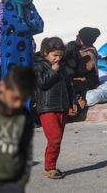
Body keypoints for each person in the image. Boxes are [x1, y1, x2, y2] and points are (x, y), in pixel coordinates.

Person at [33, 37, 77, 179]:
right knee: (55, 137)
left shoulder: (61, 67)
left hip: (61, 107)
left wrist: (72, 102)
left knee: (57, 139)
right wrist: (52, 71)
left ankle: (52, 166)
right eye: (55, 55)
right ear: (45, 52)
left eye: (60, 55)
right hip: (47, 108)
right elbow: (42, 83)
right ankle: (49, 167)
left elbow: (68, 85)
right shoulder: (38, 66)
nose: (57, 59)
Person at [1, 0, 44, 79]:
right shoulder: (9, 4)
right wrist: (29, 25)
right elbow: (18, 26)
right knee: (11, 75)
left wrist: (25, 25)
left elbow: (40, 25)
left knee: (25, 75)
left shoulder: (30, 5)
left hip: (26, 47)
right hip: (11, 46)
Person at [65, 27, 101, 109]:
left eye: (79, 36)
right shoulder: (75, 47)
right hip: (77, 78)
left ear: (84, 40)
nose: (76, 37)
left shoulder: (90, 53)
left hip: (88, 80)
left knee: (71, 86)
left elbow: (81, 70)